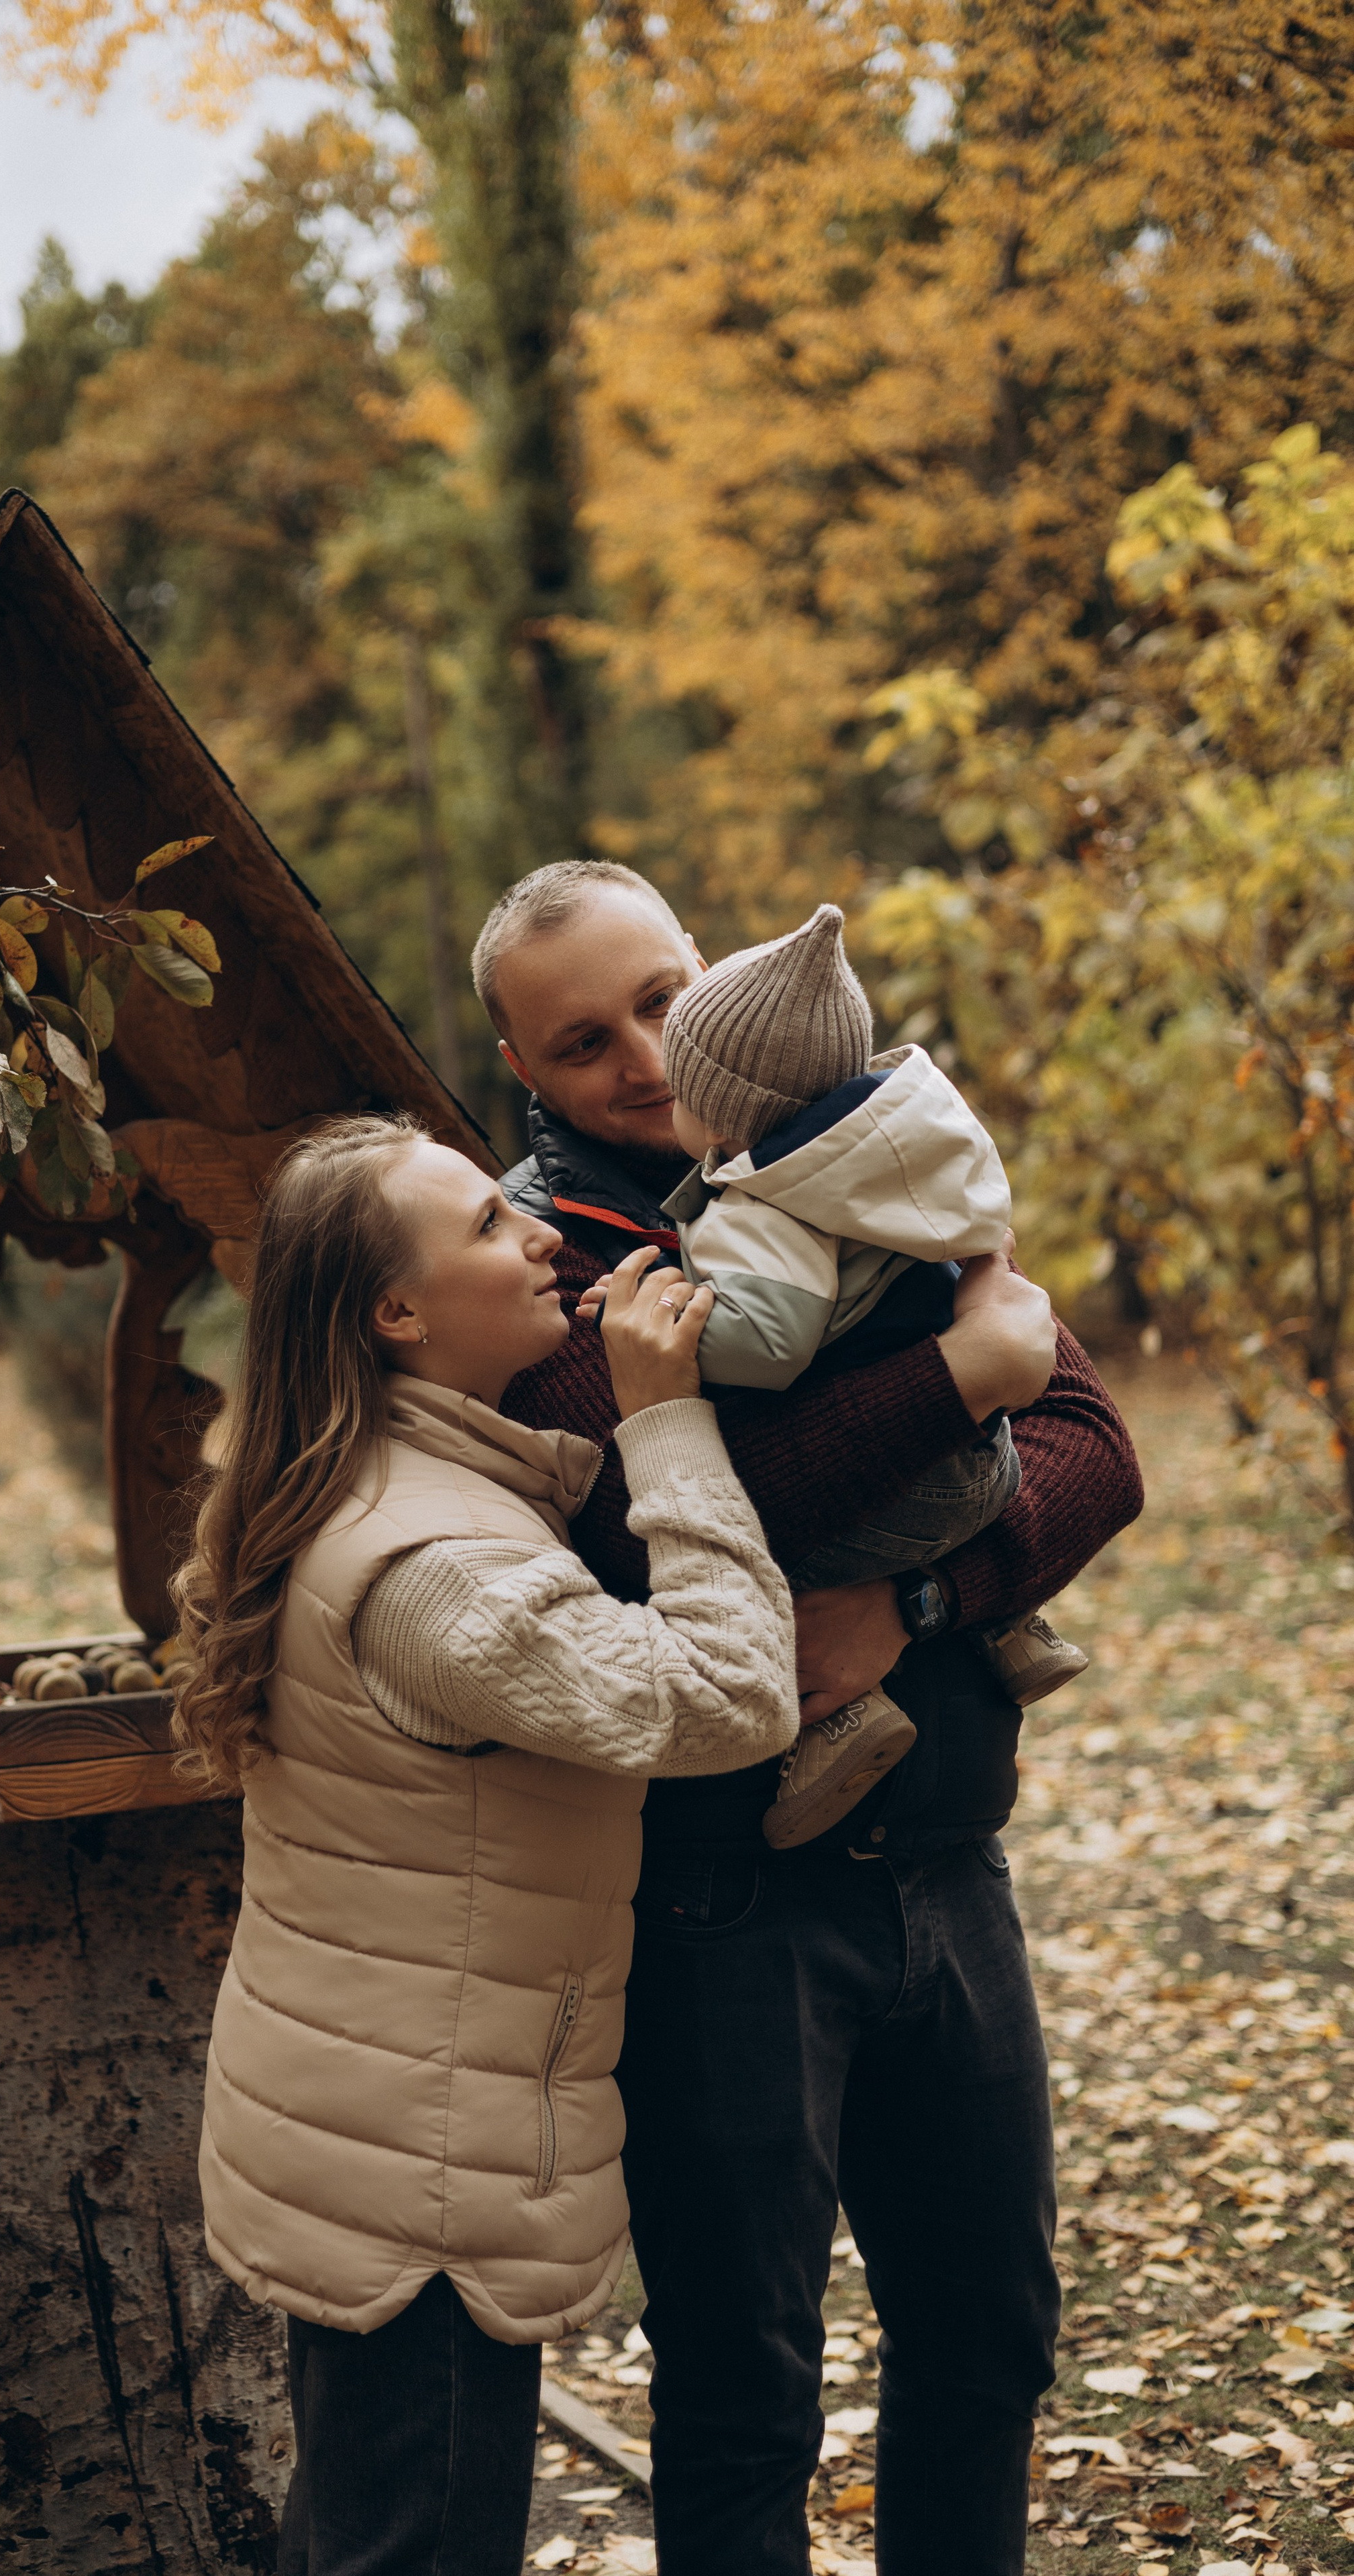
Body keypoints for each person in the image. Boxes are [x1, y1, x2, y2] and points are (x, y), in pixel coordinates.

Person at [474, 862, 1145, 2576]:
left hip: (946, 1858)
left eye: (660, 996)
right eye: (582, 1042)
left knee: (988, 2343)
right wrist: (956, 1378)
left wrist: (913, 1599)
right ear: (522, 1072)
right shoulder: (533, 1255)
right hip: (721, 1904)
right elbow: (660, 1505)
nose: (643, 1057)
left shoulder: (845, 1141)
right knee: (741, 2394)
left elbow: (1087, 1443)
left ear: (714, 972)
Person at [169, 1112, 800, 2576]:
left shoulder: (374, 1483)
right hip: (424, 2177)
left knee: (361, 2531)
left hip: (368, 2126)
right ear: (396, 1314)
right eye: (483, 1223)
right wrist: (665, 1419)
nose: (542, 1232)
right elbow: (733, 1695)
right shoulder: (440, 1567)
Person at [618, 898, 1086, 1849]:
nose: (646, 1072)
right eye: (584, 1043)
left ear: (724, 1114)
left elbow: (774, 1342)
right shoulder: (893, 1150)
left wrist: (674, 1334)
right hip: (988, 1459)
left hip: (911, 1492)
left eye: (661, 1020)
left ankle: (839, 1721)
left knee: (739, 1551)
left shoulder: (762, 1203)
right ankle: (1011, 1624)